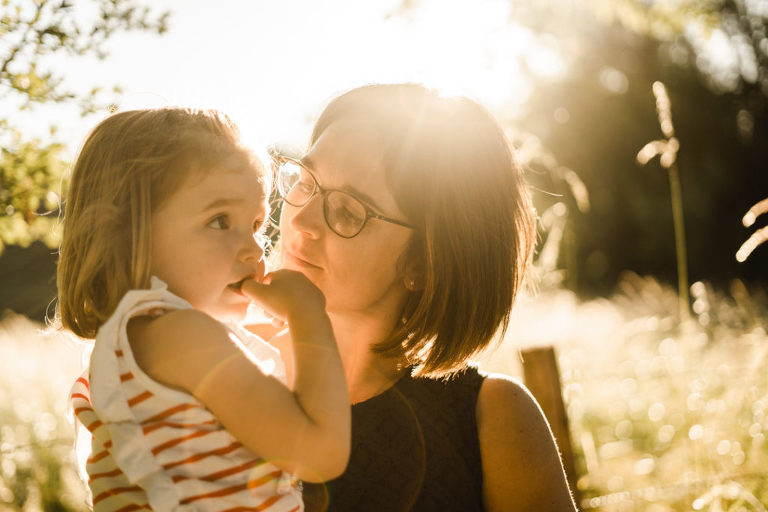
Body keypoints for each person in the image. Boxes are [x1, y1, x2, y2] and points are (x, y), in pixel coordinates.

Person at [264, 83, 578, 511]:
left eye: (348, 212)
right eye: (304, 181)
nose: (300, 219)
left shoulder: (493, 421)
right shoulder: (209, 363)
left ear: (422, 264)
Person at [59, 107, 350, 511]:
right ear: (129, 237)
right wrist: (308, 316)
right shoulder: (177, 335)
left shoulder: (136, 342)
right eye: (219, 221)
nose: (253, 249)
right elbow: (320, 455)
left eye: (255, 225)